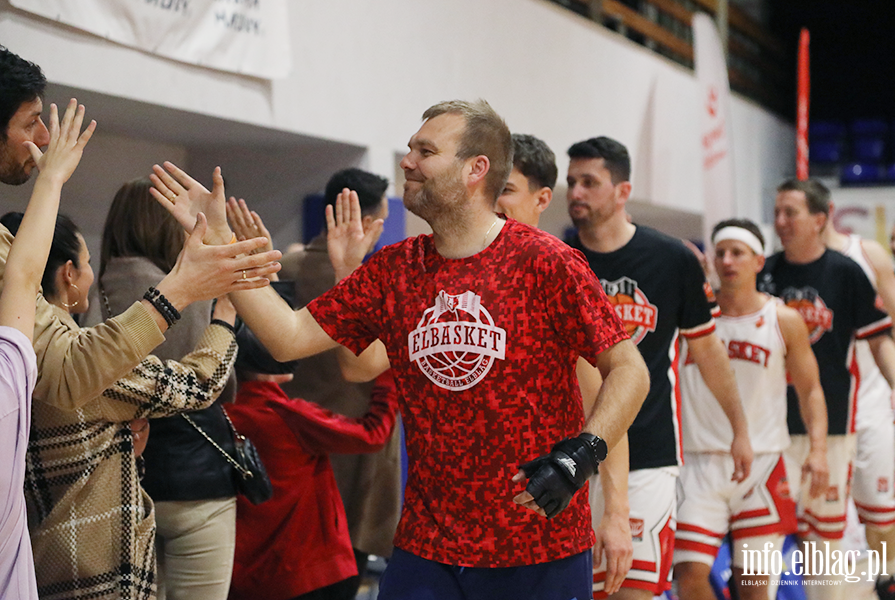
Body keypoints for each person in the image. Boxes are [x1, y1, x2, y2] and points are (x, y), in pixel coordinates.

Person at [151, 99, 650, 600]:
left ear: (476, 169)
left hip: (538, 544)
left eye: (425, 151)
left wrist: (582, 456)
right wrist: (217, 243)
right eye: (410, 149)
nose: (407, 162)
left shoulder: (547, 262)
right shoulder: (395, 269)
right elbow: (288, 337)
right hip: (427, 545)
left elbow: (629, 369)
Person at [0, 46, 279, 413]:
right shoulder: (147, 283)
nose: (46, 137)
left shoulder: (104, 280)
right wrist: (192, 290)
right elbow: (70, 373)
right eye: (31, 121)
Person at [1, 205, 241, 600]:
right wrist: (226, 316)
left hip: (32, 559)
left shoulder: (15, 357)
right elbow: (199, 384)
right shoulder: (83, 362)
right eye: (88, 262)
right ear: (68, 273)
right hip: (94, 570)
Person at [564, 136, 752, 600]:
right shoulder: (557, 259)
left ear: (623, 191)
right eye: (571, 182)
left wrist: (739, 428)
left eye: (590, 181)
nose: (576, 193)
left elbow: (708, 356)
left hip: (649, 454)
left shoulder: (673, 259)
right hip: (569, 457)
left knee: (633, 590)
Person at [87, 178, 241, 600]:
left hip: (122, 474)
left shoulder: (90, 289)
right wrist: (224, 318)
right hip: (193, 474)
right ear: (165, 225)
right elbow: (215, 381)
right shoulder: (177, 290)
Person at [495, 132, 633, 595]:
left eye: (506, 189)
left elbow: (609, 399)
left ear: (541, 199)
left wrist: (615, 514)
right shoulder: (454, 271)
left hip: (546, 511)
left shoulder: (556, 272)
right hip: (461, 522)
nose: (493, 201)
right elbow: (363, 366)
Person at [758, 178, 895, 599]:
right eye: (777, 212)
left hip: (839, 417)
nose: (780, 221)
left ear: (821, 219)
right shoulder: (763, 272)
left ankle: (885, 578)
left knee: (836, 534)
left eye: (791, 213)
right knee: (763, 543)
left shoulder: (852, 267)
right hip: (771, 424)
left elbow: (880, 338)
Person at [673, 219, 829, 600]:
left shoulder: (784, 319)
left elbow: (810, 390)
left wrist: (819, 449)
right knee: (690, 576)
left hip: (762, 463)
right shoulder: (691, 320)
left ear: (758, 261)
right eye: (720, 252)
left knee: (755, 588)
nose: (727, 261)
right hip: (699, 462)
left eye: (737, 253)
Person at [277, 168, 402, 597]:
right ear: (364, 222)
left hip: (290, 435)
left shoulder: (283, 266)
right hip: (358, 439)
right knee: (343, 574)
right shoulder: (378, 283)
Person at [225, 311, 399, 600]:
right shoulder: (288, 417)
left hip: (241, 574)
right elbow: (373, 434)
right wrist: (388, 372)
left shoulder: (223, 416)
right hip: (307, 570)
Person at [0, 98, 93, 600]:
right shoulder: (10, 371)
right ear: (69, 273)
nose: (40, 134)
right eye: (30, 121)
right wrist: (180, 295)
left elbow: (18, 275)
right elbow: (20, 276)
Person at [822, 200, 895, 599]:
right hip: (817, 409)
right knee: (821, 514)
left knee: (880, 505)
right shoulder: (781, 269)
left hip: (870, 399)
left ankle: (888, 578)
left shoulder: (866, 253)